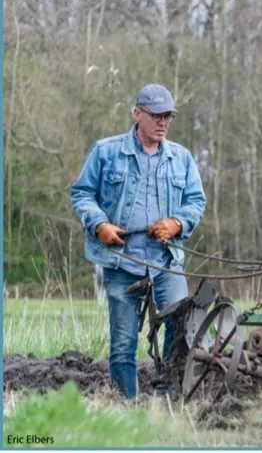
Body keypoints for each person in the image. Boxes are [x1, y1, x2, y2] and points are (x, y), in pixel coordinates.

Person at [71, 83, 206, 399]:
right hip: (122, 261)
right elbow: (82, 193)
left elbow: (196, 201)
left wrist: (177, 223)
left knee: (180, 332)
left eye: (168, 116)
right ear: (137, 113)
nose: (163, 122)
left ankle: (170, 402)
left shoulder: (181, 158)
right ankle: (126, 408)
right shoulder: (106, 152)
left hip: (166, 261)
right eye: (156, 115)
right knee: (122, 343)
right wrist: (99, 224)